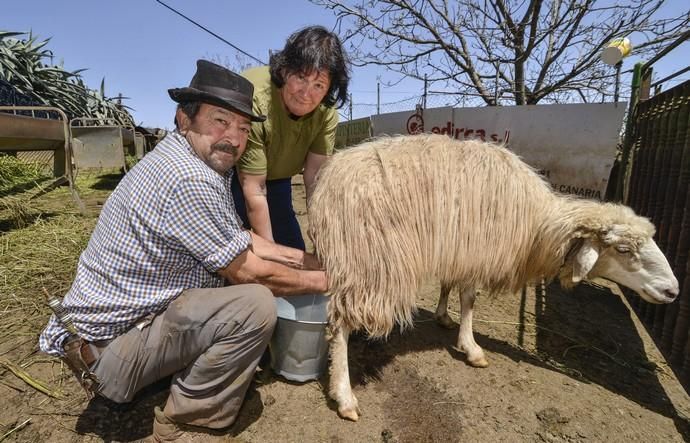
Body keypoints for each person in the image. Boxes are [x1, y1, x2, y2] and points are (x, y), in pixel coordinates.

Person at [39, 60, 328, 442]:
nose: (234, 138)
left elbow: (240, 236)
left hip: (115, 332)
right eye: (220, 121)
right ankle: (190, 416)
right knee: (254, 304)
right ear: (184, 118)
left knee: (231, 290)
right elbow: (250, 272)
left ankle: (181, 370)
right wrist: (331, 278)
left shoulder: (195, 161)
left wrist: (306, 260)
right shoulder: (187, 177)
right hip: (109, 354)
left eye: (243, 128)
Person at [231, 25, 350, 250]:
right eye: (300, 78)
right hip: (233, 178)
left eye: (318, 85)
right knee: (246, 255)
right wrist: (272, 254)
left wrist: (321, 237)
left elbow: (315, 178)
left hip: (279, 179)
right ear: (285, 71)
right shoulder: (253, 101)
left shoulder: (326, 113)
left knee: (295, 250)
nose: (306, 94)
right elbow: (254, 189)